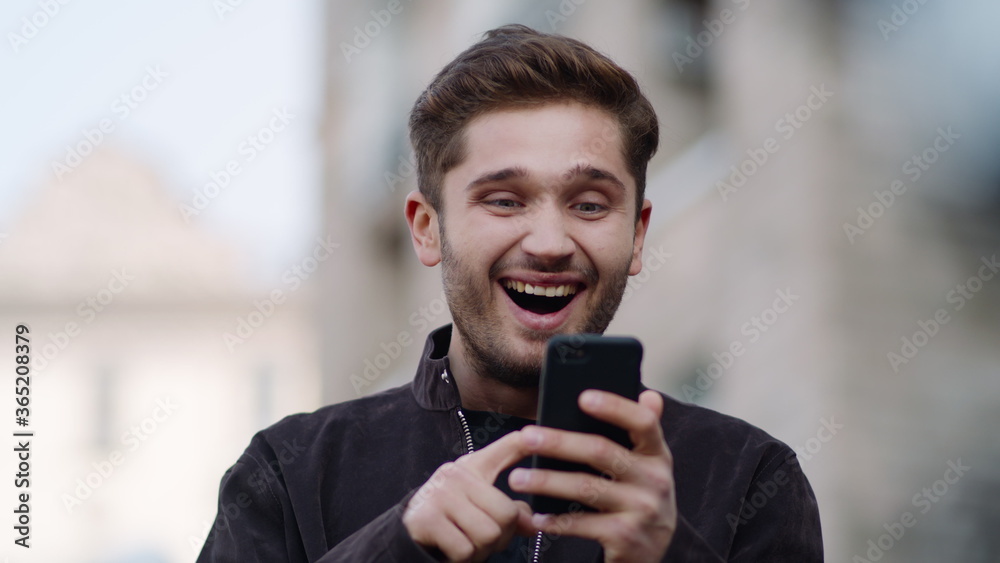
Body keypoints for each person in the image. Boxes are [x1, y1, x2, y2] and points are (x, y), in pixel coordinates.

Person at [197, 24, 823, 562]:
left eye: (589, 203)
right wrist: (398, 546)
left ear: (636, 236)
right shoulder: (289, 470)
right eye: (503, 200)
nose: (549, 241)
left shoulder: (749, 476)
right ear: (427, 227)